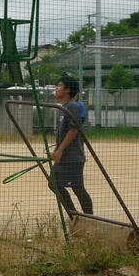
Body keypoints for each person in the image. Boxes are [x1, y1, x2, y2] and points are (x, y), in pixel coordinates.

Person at [49, 75, 94, 216]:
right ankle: (75, 215)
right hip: (64, 157)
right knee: (55, 184)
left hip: (73, 157)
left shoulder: (72, 106)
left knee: (77, 187)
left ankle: (87, 216)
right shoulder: (64, 107)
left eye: (59, 85)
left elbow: (74, 130)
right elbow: (62, 133)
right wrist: (56, 150)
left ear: (67, 90)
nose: (56, 88)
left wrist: (60, 150)